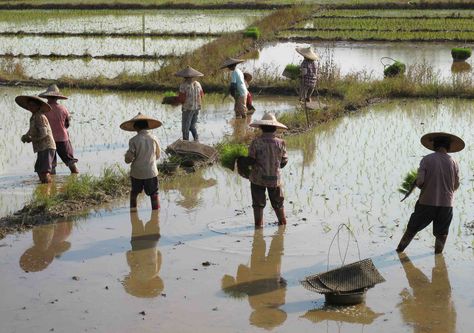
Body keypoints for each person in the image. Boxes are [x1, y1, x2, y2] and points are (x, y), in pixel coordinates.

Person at [397, 132, 464, 254]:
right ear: (448, 147)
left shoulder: (427, 159)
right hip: (446, 205)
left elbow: (421, 182)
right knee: (442, 233)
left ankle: (400, 250)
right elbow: (456, 185)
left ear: (434, 145)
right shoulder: (454, 162)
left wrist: (417, 182)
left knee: (412, 228)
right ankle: (438, 256)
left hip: (426, 203)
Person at [222, 227, 287, 329]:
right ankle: (274, 232)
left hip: (268, 273)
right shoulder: (257, 304)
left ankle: (269, 232)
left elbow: (283, 284)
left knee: (268, 248)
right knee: (266, 248)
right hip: (265, 272)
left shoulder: (278, 301)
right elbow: (283, 284)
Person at [248, 113, 288, 227]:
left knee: (258, 204)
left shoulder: (256, 142)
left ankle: (258, 226)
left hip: (258, 179)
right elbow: (284, 161)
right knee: (278, 203)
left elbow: (251, 160)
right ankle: (282, 223)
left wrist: (242, 162)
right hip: (275, 179)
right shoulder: (281, 143)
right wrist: (274, 166)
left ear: (261, 128)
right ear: (275, 128)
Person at [120, 113, 162, 211]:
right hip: (151, 172)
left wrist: (126, 157)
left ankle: (133, 210)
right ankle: (156, 215)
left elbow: (128, 159)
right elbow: (158, 155)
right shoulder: (154, 138)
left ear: (136, 128)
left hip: (137, 173)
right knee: (154, 194)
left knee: (134, 192)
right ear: (147, 126)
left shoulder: (133, 140)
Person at [38, 84, 79, 174]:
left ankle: (52, 184)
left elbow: (40, 125)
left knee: (51, 163)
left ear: (47, 97)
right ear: (57, 98)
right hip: (62, 138)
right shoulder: (63, 109)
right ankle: (75, 176)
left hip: (48, 139)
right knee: (69, 160)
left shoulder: (42, 109)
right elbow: (67, 124)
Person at [123, 210, 163, 298]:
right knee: (135, 221)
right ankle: (134, 200)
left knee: (155, 219)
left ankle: (154, 198)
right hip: (137, 244)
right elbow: (129, 255)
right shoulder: (135, 273)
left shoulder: (155, 272)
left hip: (151, 243)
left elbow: (159, 255)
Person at [17, 95, 56, 184]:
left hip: (47, 146)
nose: (31, 107)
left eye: (33, 105)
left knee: (44, 171)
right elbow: (32, 130)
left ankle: (48, 190)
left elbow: (44, 133)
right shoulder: (34, 116)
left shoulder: (40, 116)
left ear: (38, 106)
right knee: (39, 169)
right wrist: (26, 136)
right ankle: (44, 188)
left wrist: (32, 139)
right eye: (29, 105)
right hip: (41, 147)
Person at [175, 66, 204, 142]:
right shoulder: (198, 84)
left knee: (185, 127)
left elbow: (182, 99)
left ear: (184, 76)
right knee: (192, 126)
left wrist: (175, 100)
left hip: (187, 109)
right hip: (197, 108)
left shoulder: (183, 85)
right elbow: (201, 95)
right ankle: (196, 139)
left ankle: (185, 142)